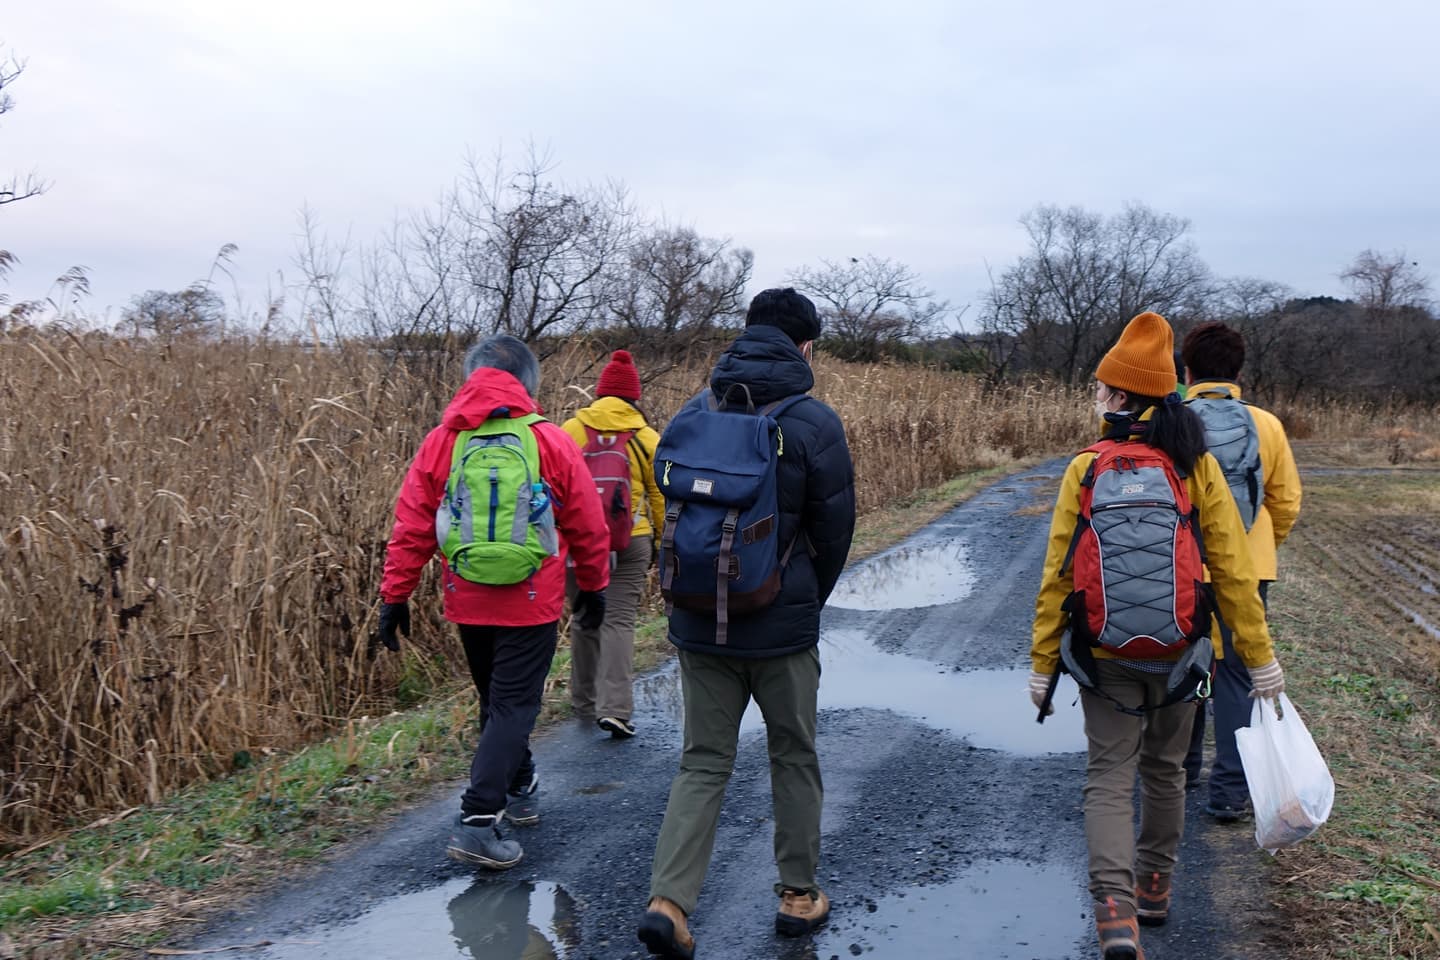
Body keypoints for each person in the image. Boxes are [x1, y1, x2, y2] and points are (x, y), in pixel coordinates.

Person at [1028, 312, 1287, 960]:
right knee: (1167, 772)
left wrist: (1041, 666)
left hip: (1104, 653)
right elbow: (1230, 568)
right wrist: (1259, 659)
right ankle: (1154, 889)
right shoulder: (1193, 465)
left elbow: (1058, 576)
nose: (1094, 397)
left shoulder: (1086, 467)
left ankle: (1115, 916)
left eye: (1099, 388)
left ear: (1119, 396)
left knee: (1109, 775)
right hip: (1183, 652)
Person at [637, 289, 856, 959]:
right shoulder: (813, 422)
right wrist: (803, 599)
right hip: (780, 621)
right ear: (806, 346)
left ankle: (669, 903)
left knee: (703, 761)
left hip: (698, 617)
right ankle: (797, 895)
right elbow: (836, 526)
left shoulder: (693, 412)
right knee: (793, 753)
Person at [377, 334, 611, 870]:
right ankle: (479, 819)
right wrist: (593, 586)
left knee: (496, 702)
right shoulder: (548, 440)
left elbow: (412, 524)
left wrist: (395, 596)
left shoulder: (444, 440)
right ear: (528, 381)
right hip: (530, 597)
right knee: (512, 706)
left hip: (467, 595)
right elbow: (586, 522)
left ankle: (520, 781)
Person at [1180, 321, 1302, 820]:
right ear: (1238, 371)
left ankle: (1181, 772)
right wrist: (1254, 551)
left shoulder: (1171, 421)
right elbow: (1286, 501)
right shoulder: (1267, 425)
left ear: (1186, 370)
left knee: (1185, 669)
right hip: (1248, 571)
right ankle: (1230, 792)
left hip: (1183, 569)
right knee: (1234, 676)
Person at [561, 349, 667, 739]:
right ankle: (616, 709)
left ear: (598, 394)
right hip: (632, 538)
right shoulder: (646, 437)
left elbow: (554, 485)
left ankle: (584, 702)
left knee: (584, 617)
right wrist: (660, 540)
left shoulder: (570, 431)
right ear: (633, 397)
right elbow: (659, 495)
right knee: (619, 620)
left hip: (579, 540)